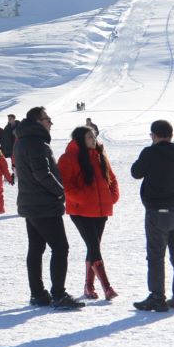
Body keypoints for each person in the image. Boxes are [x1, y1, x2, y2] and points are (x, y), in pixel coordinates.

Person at [13, 106, 83, 309]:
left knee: (36, 249)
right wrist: (61, 192)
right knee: (60, 247)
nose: (51, 123)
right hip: (43, 204)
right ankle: (58, 294)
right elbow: (42, 173)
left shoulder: (24, 140)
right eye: (47, 119)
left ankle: (38, 294)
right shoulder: (35, 142)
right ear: (37, 121)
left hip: (32, 203)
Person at [59, 125, 119, 300]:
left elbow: (112, 179)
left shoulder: (99, 156)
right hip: (81, 211)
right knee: (94, 246)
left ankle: (88, 286)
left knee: (93, 246)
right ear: (80, 140)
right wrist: (85, 199)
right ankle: (106, 287)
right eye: (89, 137)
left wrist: (111, 197)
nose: (94, 140)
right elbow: (66, 186)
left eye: (94, 136)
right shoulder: (68, 158)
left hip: (101, 210)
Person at [131, 119, 174, 312]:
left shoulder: (150, 152)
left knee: (156, 256)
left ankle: (157, 297)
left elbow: (136, 172)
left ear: (154, 135)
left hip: (156, 211)